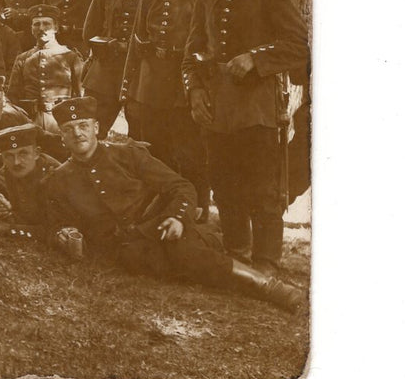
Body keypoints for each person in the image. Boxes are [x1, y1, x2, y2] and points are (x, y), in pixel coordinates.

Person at [40, 96, 303, 311]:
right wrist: (65, 234)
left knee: (186, 254)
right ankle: (211, 243)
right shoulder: (59, 180)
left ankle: (269, 287)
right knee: (169, 264)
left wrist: (177, 218)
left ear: (96, 127)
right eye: (68, 129)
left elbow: (181, 187)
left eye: (83, 125)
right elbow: (58, 223)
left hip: (163, 227)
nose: (77, 133)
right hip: (130, 250)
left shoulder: (127, 154)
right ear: (61, 136)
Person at [182, 0, 307, 273]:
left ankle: (266, 262)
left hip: (258, 107)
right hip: (217, 105)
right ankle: (236, 252)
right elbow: (191, 53)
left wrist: (256, 58)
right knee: (224, 182)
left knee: (263, 186)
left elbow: (299, 46)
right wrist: (194, 92)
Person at [123, 0, 211, 217]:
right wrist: (129, 88)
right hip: (151, 85)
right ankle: (159, 209)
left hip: (186, 85)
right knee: (155, 149)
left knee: (190, 150)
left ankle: (195, 209)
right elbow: (137, 41)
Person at [83, 0, 154, 136]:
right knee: (91, 129)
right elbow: (89, 32)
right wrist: (108, 46)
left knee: (141, 135)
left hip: (140, 73)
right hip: (105, 71)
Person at [6, 3, 84, 150]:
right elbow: (12, 95)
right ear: (31, 28)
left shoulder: (70, 57)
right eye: (36, 24)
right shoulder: (23, 58)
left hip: (60, 121)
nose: (41, 28)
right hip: (29, 120)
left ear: (56, 27)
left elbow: (81, 96)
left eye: (46, 24)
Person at [0, 123, 60, 234]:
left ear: (36, 153)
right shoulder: (10, 170)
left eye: (23, 153)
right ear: (2, 158)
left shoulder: (53, 176)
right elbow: (30, 215)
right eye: (9, 156)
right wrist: (8, 213)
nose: (16, 162)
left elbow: (53, 229)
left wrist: (8, 228)